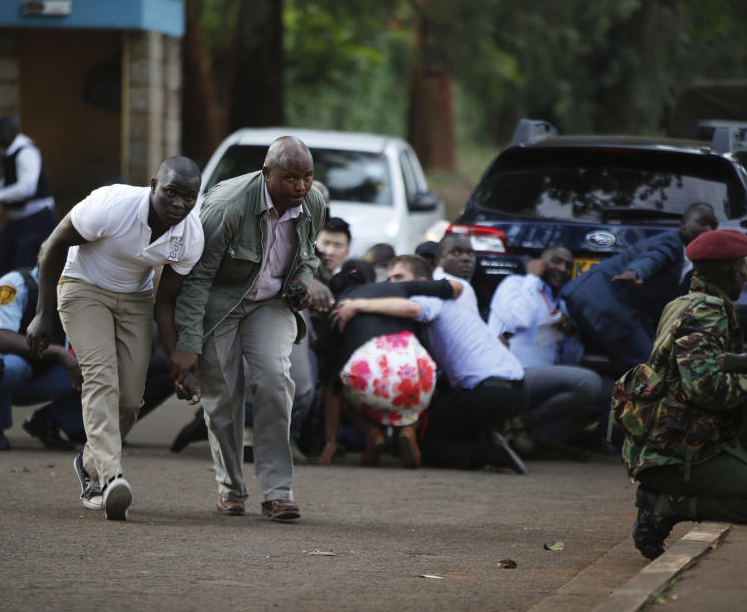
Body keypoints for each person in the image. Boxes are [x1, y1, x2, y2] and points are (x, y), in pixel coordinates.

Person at [27, 156, 204, 521]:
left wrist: (178, 358)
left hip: (136, 300)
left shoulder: (190, 235)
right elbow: (52, 247)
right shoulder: (112, 205)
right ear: (154, 185)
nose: (179, 204)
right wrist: (43, 314)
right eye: (171, 193)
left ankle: (89, 462)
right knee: (101, 379)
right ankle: (109, 478)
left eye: (189, 197)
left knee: (130, 400)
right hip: (82, 288)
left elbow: (166, 301)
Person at [171, 136, 326, 521]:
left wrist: (305, 280)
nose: (301, 186)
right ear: (266, 174)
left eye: (307, 177)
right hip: (220, 303)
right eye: (291, 177)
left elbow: (309, 256)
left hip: (270, 303)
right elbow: (196, 279)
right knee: (222, 394)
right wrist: (188, 344)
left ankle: (277, 492)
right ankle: (231, 488)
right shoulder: (226, 207)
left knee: (275, 380)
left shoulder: (314, 202)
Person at [621, 229, 747, 560]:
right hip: (680, 450)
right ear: (736, 273)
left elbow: (691, 363)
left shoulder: (683, 303)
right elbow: (704, 387)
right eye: (744, 269)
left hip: (663, 439)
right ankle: (667, 504)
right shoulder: (708, 312)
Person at [331, 256, 531, 474]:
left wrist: (359, 304)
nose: (391, 284)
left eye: (398, 277)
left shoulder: (428, 299)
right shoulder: (450, 307)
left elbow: (412, 310)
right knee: (440, 413)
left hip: (487, 392)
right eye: (389, 278)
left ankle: (490, 454)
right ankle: (482, 438)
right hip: (516, 390)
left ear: (422, 280)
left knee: (422, 441)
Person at [317, 257, 462, 468]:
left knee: (344, 388)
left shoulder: (337, 310)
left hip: (368, 375)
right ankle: (408, 430)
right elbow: (455, 287)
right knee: (419, 385)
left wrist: (330, 442)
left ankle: (373, 434)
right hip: (416, 370)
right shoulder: (397, 288)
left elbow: (332, 387)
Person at [559, 202, 718, 365]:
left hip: (627, 310)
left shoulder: (695, 257)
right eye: (702, 223)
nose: (709, 230)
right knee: (653, 363)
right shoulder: (671, 243)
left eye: (714, 226)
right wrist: (634, 272)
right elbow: (653, 258)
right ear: (683, 223)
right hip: (599, 302)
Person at [487, 246, 605, 456]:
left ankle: (533, 439)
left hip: (543, 379)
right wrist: (532, 277)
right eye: (556, 261)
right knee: (588, 382)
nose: (562, 268)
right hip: (513, 374)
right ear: (539, 262)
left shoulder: (559, 303)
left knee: (607, 395)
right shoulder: (515, 284)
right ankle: (522, 430)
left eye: (568, 265)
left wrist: (570, 333)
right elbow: (518, 319)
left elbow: (571, 360)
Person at [0, 266, 84, 452]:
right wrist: (59, 352)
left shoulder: (76, 290)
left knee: (100, 370)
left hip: (43, 376)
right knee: (11, 366)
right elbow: (3, 338)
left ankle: (48, 422)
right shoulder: (15, 284)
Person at [0, 116, 57, 293]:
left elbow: (26, 187)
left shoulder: (26, 152)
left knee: (25, 267)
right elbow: (8, 181)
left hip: (36, 218)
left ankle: (26, 310)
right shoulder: (8, 153)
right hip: (18, 220)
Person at [424, 233, 479, 314]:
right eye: (456, 252)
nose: (466, 258)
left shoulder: (432, 279)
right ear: (439, 260)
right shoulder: (463, 287)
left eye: (470, 253)